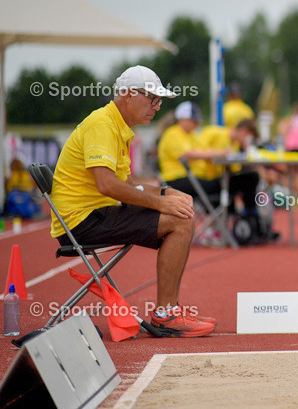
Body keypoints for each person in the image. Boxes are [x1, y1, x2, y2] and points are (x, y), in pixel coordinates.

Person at [49, 66, 215, 336]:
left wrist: (164, 192)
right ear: (127, 95)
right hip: (82, 221)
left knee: (180, 210)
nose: (157, 107)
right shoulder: (103, 124)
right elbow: (106, 184)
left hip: (91, 214)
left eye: (159, 101)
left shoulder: (117, 125)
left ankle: (168, 310)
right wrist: (162, 204)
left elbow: (124, 184)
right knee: (181, 221)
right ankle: (166, 314)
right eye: (152, 99)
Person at [189, 118, 277, 243]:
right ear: (244, 131)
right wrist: (220, 153)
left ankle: (251, 218)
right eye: (248, 138)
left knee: (251, 177)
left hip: (220, 180)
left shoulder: (235, 145)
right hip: (204, 179)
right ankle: (248, 217)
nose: (247, 141)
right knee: (250, 179)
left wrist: (246, 150)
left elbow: (235, 169)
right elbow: (197, 151)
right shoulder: (213, 132)